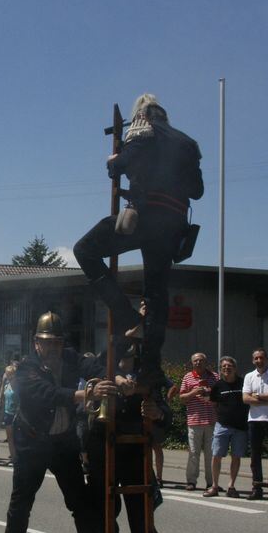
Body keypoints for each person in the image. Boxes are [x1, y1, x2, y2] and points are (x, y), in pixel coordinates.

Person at [73, 93, 204, 386]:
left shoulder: (141, 130)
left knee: (84, 250)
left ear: (140, 114)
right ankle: (151, 367)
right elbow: (197, 191)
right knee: (156, 293)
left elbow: (120, 167)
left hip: (145, 217)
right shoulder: (188, 143)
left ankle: (127, 316)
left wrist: (114, 160)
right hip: (173, 227)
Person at [0, 312, 103, 533]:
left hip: (63, 445)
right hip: (32, 444)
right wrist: (86, 394)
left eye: (56, 342)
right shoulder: (26, 368)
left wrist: (106, 377)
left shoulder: (71, 357)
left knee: (81, 507)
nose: (52, 348)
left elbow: (96, 366)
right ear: (36, 343)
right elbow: (47, 393)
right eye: (46, 342)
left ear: (62, 343)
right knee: (21, 503)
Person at [85, 348, 169, 533]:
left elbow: (165, 410)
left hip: (135, 454)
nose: (125, 355)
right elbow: (87, 374)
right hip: (103, 449)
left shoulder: (148, 373)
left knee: (142, 515)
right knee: (104, 513)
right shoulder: (100, 364)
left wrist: (158, 413)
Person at [243, 348, 268, 501]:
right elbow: (246, 399)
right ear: (253, 360)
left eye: (261, 358)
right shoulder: (249, 376)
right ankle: (257, 488)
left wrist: (258, 396)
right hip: (254, 420)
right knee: (255, 456)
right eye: (256, 358)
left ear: (266, 359)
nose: (259, 360)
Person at [206, 356, 248, 498]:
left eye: (229, 366)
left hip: (241, 427)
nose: (226, 368)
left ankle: (231, 486)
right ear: (221, 369)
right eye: (223, 367)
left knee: (236, 456)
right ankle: (215, 486)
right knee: (216, 455)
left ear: (235, 368)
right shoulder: (218, 386)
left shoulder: (243, 383)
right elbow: (213, 404)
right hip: (222, 425)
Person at [179, 352, 217, 491]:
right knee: (193, 453)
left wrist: (209, 393)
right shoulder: (187, 377)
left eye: (201, 360)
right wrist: (193, 393)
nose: (198, 363)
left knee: (210, 454)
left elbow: (219, 396)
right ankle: (191, 481)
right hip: (194, 421)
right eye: (195, 361)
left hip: (211, 421)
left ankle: (211, 482)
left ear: (206, 362)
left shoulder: (215, 376)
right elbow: (182, 398)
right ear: (192, 363)